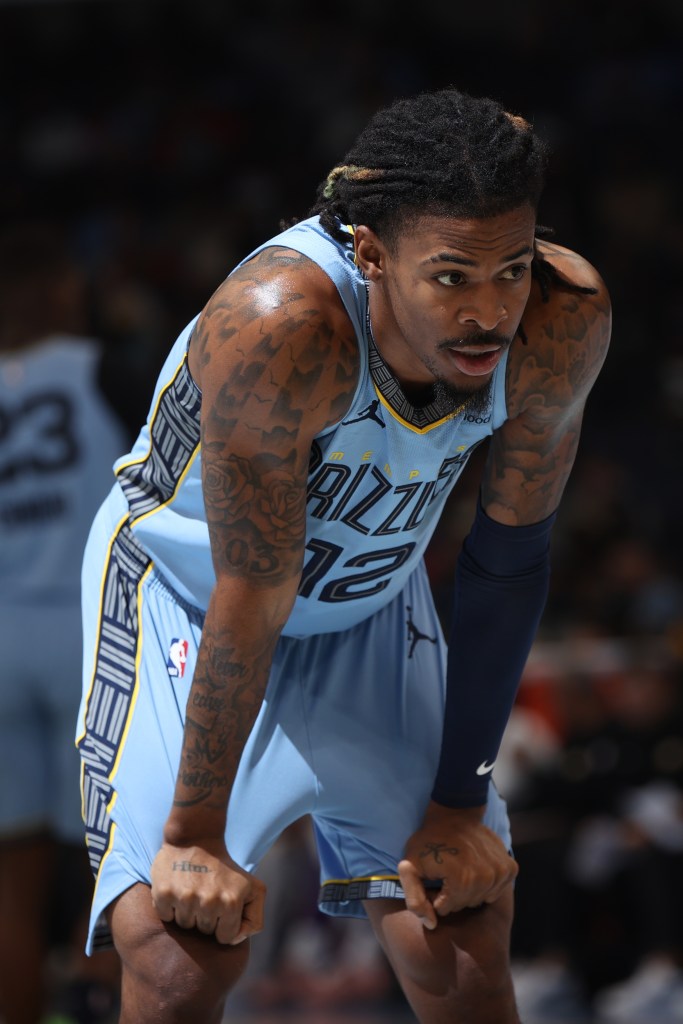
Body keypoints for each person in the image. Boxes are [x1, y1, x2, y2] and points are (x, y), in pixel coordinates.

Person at [75, 87, 611, 1024]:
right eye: (451, 277)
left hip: (366, 604)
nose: (488, 311)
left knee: (464, 937)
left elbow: (509, 556)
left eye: (511, 269)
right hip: (192, 602)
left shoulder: (561, 321)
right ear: (369, 254)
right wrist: (197, 836)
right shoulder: (282, 327)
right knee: (176, 958)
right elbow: (254, 588)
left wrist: (460, 801)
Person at [0, 225, 127, 1024]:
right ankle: (103, 1003)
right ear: (59, 289)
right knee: (112, 858)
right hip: (87, 629)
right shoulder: (105, 370)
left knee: (11, 874)